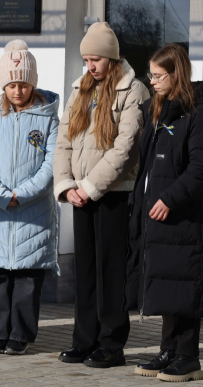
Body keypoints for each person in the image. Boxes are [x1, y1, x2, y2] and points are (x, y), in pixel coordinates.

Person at [53, 22, 149, 367]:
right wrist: (66, 187)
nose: (90, 66)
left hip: (113, 194)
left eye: (96, 59)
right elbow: (64, 141)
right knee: (86, 271)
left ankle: (111, 344)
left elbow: (125, 150)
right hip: (80, 195)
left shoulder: (133, 91)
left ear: (111, 58)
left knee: (111, 272)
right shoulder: (80, 89)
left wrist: (90, 187)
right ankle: (84, 340)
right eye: (86, 59)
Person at [126, 44, 203, 382]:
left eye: (158, 75)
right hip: (157, 213)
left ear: (176, 74)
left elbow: (201, 166)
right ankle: (168, 350)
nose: (151, 81)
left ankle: (188, 356)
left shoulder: (199, 113)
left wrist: (169, 198)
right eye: (150, 75)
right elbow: (148, 164)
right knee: (167, 283)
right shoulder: (158, 109)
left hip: (184, 215)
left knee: (185, 284)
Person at [0, 41, 59, 355]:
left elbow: (52, 162)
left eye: (23, 84)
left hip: (32, 212)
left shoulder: (48, 120)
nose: (17, 90)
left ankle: (20, 334)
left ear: (32, 83)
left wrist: (23, 194)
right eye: (11, 84)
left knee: (25, 279)